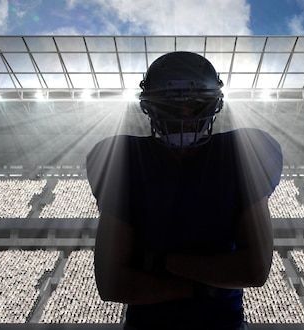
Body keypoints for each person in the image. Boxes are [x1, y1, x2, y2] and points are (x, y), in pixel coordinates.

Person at [86, 51, 283, 330]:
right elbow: (112, 283)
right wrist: (203, 287)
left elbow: (254, 269)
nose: (185, 113)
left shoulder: (241, 153)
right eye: (170, 104)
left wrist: (160, 262)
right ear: (150, 106)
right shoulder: (124, 158)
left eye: (195, 102)